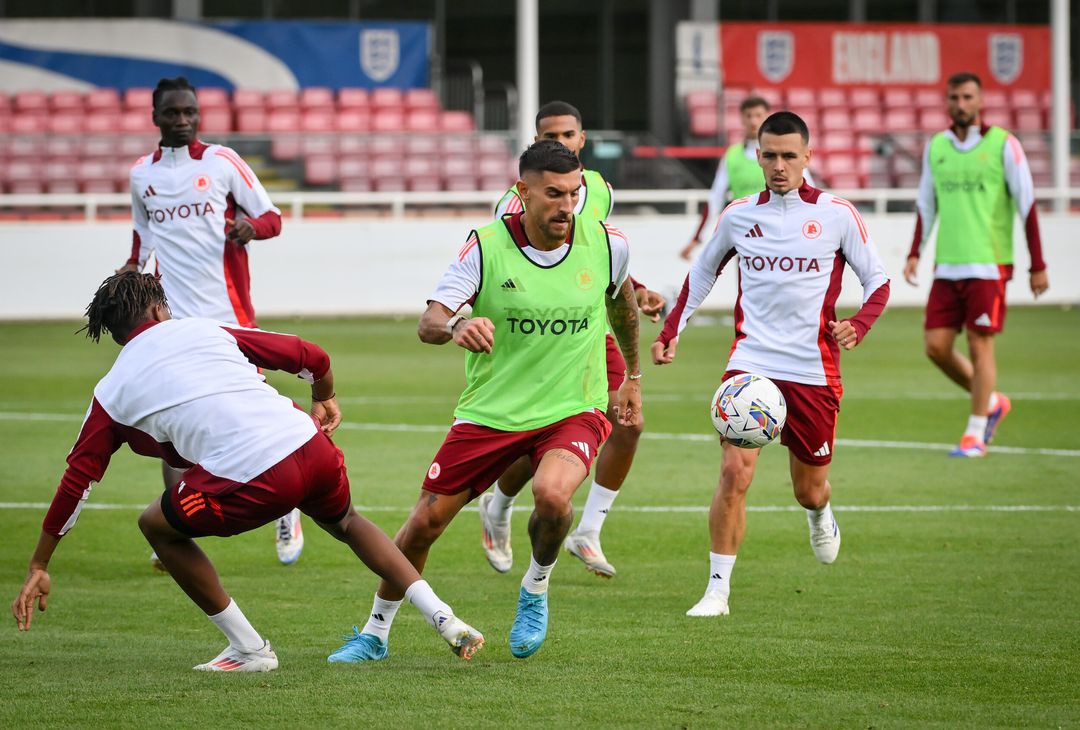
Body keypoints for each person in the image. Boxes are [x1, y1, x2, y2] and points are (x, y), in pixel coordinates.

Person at [10, 272, 484, 670]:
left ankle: (249, 649)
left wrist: (40, 563)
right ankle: (444, 617)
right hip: (310, 446)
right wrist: (323, 395)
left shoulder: (110, 390)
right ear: (157, 311)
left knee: (155, 525)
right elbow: (311, 356)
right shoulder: (204, 330)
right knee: (347, 522)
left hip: (254, 477)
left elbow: (78, 479)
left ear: (115, 334)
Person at [347, 140, 642, 661]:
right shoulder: (485, 247)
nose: (566, 205)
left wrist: (632, 376)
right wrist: (459, 322)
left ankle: (535, 588)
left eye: (574, 193)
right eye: (553, 194)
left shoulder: (607, 243)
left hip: (574, 406)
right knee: (424, 525)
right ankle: (374, 633)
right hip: (491, 412)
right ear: (522, 192)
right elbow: (429, 321)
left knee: (554, 497)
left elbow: (622, 307)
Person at [652, 112, 890, 617]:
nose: (778, 166)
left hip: (813, 368)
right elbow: (701, 274)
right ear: (757, 155)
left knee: (808, 489)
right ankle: (717, 589)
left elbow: (879, 281)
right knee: (734, 474)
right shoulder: (739, 214)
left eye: (788, 156)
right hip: (751, 362)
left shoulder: (837, 214)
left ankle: (820, 510)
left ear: (808, 156)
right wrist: (672, 331)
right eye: (769, 155)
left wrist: (859, 323)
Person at [117, 76, 303, 565]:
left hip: (230, 316)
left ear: (199, 115)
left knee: (260, 414)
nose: (183, 120)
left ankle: (289, 511)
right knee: (171, 426)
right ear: (155, 116)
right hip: (172, 322)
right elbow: (142, 244)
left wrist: (250, 227)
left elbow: (272, 218)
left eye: (190, 112)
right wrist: (128, 276)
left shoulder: (222, 162)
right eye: (173, 113)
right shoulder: (142, 175)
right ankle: (178, 532)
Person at [482, 100, 665, 579]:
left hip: (592, 326)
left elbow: (598, 254)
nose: (558, 144)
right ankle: (499, 504)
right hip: (539, 334)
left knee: (630, 422)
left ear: (582, 140)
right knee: (536, 437)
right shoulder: (514, 202)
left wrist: (637, 290)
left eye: (566, 135)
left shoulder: (600, 190)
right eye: (548, 137)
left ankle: (588, 531)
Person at [903, 71, 1049, 458]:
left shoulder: (1004, 145)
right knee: (935, 347)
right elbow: (926, 204)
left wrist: (1038, 263)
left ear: (981, 101)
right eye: (954, 98)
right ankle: (993, 402)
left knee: (980, 345)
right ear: (947, 102)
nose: (961, 104)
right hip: (947, 265)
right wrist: (915, 251)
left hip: (989, 265)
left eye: (968, 97)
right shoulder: (937, 147)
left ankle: (975, 433)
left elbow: (1027, 204)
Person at [680, 96, 816, 260]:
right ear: (741, 119)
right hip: (747, 237)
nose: (753, 121)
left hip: (783, 235)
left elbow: (809, 192)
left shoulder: (786, 153)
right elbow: (714, 199)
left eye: (758, 115)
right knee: (747, 285)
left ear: (767, 117)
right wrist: (697, 238)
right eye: (749, 115)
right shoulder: (731, 156)